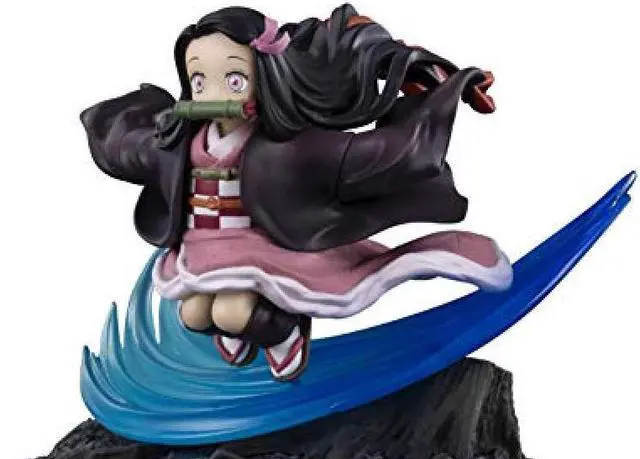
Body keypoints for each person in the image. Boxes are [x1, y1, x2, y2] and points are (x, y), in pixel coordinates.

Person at [81, 4, 512, 382]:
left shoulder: (285, 146)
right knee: (193, 314)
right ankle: (245, 332)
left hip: (263, 245)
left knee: (232, 311)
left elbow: (374, 155)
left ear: (264, 78)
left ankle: (283, 331)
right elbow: (133, 150)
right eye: (199, 80)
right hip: (204, 245)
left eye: (234, 80)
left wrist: (440, 94)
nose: (213, 94)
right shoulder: (180, 139)